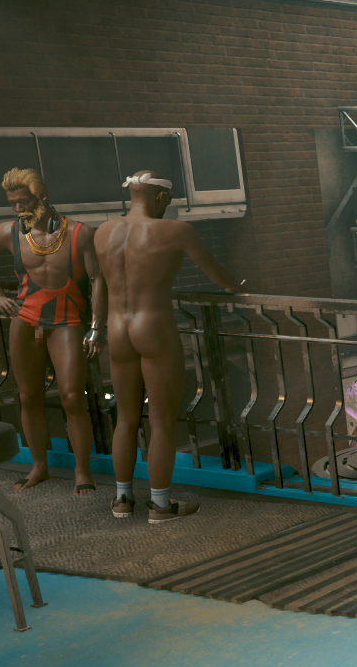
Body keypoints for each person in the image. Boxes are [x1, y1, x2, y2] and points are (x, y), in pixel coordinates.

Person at [93, 171, 248, 522]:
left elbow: (98, 282)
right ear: (161, 198)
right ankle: (160, 505)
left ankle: (122, 500)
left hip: (117, 328)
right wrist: (234, 286)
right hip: (153, 326)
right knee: (161, 421)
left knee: (125, 418)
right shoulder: (176, 231)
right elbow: (215, 271)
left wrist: (94, 328)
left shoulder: (103, 231)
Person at [0, 168, 101, 495]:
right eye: (13, 203)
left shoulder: (80, 233)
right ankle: (39, 466)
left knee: (73, 397)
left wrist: (98, 326)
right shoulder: (8, 232)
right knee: (28, 396)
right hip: (26, 319)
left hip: (67, 320)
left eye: (24, 202)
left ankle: (82, 471)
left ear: (43, 197)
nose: (19, 209)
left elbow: (98, 280)